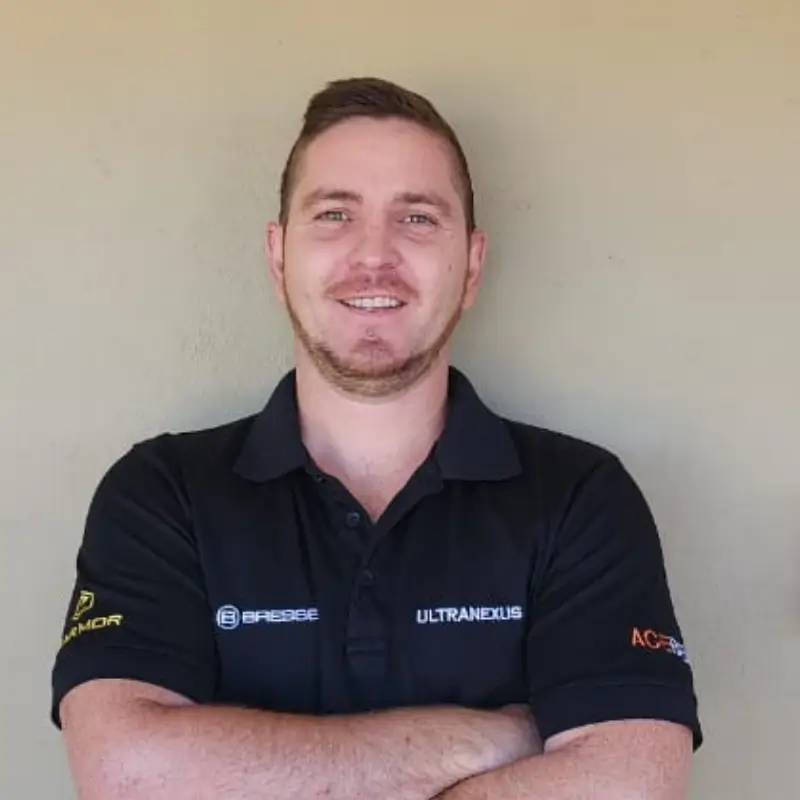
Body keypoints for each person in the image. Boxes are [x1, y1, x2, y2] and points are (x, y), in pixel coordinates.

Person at [52, 77, 702, 799]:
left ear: (472, 265)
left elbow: (632, 782)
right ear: (278, 255)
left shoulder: (579, 496)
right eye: (334, 214)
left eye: (417, 218)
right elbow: (126, 774)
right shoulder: (163, 492)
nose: (373, 255)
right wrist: (498, 738)